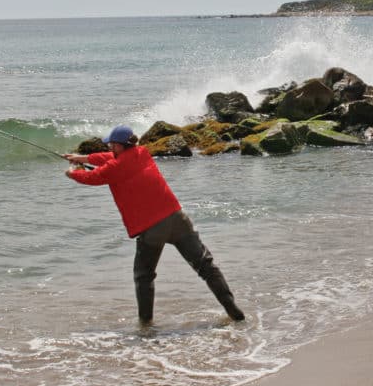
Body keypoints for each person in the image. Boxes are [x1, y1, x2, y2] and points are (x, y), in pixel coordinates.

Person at [62, 126, 245, 325]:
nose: (110, 147)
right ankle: (233, 310)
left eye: (112, 144)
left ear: (119, 145)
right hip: (177, 218)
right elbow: (109, 159)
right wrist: (84, 159)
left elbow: (94, 177)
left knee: (144, 276)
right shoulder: (142, 153)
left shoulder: (115, 168)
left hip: (152, 228)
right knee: (206, 266)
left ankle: (145, 323)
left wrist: (72, 172)